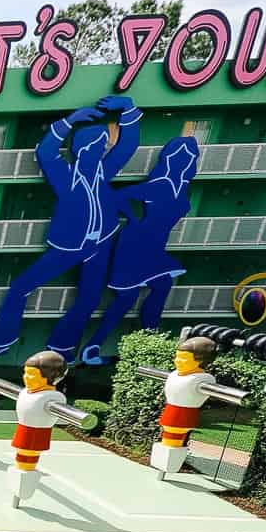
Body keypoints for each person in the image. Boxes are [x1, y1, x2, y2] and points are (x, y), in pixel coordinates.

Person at [0, 96, 142, 365]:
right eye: (99, 145)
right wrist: (68, 122)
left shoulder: (105, 170)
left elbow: (128, 145)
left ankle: (62, 349)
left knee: (88, 299)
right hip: (68, 247)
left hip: (101, 243)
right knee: (20, 287)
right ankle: (0, 342)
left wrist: (129, 109)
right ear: (84, 148)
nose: (104, 148)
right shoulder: (64, 175)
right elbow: (45, 152)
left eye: (104, 145)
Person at [78, 136, 202, 365]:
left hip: (155, 245)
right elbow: (119, 196)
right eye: (178, 156)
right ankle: (94, 347)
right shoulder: (160, 184)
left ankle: (149, 339)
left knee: (161, 286)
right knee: (128, 296)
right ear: (169, 158)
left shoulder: (181, 189)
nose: (182, 161)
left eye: (188, 157)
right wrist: (134, 219)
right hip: (136, 242)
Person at [151, 335, 219, 477]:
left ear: (200, 361)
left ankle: (169, 467)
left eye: (184, 359)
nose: (177, 361)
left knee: (173, 441)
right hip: (170, 413)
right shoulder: (175, 374)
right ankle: (165, 466)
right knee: (168, 440)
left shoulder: (203, 380)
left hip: (183, 417)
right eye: (177, 357)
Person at [9, 351, 72, 507]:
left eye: (32, 375)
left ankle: (22, 490)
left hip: (37, 433)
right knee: (21, 460)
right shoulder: (27, 392)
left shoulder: (52, 398)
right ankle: (19, 489)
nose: (26, 378)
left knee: (27, 461)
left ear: (50, 377)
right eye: (26, 373)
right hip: (23, 429)